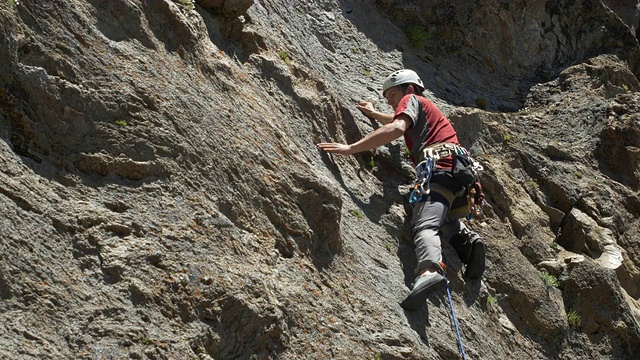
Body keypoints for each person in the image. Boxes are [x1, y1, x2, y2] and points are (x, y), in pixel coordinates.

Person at [317, 69, 485, 311]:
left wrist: (351, 147)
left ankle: (429, 270)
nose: (390, 100)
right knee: (437, 213)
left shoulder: (412, 100)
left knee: (425, 223)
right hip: (458, 178)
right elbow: (399, 120)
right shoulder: (426, 110)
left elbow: (397, 127)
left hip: (439, 171)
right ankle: (466, 240)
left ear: (408, 89)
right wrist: (374, 113)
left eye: (392, 94)